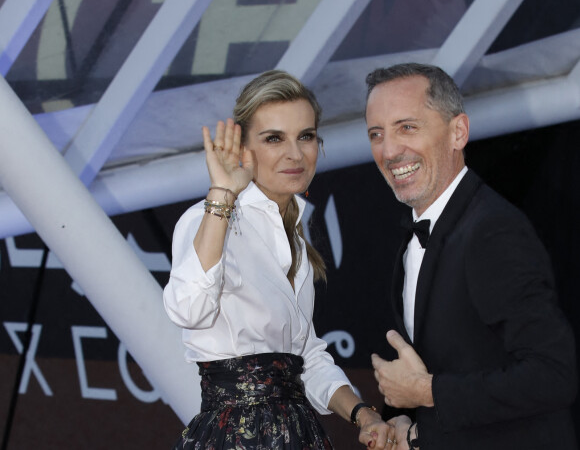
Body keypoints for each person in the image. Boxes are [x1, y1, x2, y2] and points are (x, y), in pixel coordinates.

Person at [163, 70, 395, 449]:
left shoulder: (297, 242)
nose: (294, 153)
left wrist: (363, 414)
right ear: (243, 149)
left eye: (305, 136)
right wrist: (222, 193)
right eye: (274, 138)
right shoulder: (209, 219)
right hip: (235, 439)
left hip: (297, 434)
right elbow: (188, 310)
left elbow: (304, 357)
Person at [364, 63, 578, 449]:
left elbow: (553, 375)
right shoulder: (415, 236)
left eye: (407, 127)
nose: (390, 150)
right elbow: (450, 367)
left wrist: (428, 392)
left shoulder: (492, 230)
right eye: (376, 134)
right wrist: (405, 423)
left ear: (457, 132)